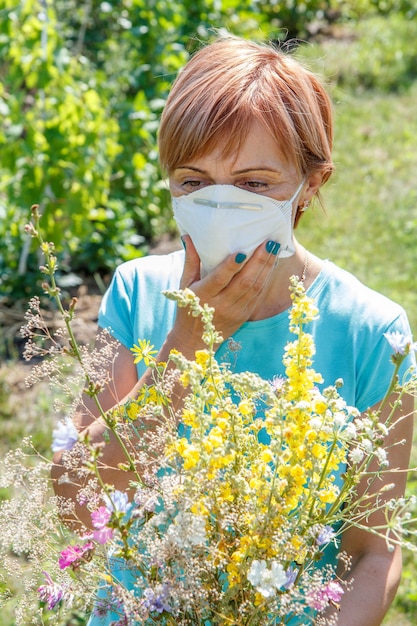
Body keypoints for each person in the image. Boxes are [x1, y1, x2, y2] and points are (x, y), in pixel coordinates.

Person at [52, 35, 415, 625]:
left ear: (311, 182)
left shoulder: (371, 333)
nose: (220, 206)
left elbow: (373, 553)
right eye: (194, 182)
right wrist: (185, 348)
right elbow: (73, 501)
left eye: (253, 184)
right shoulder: (137, 294)